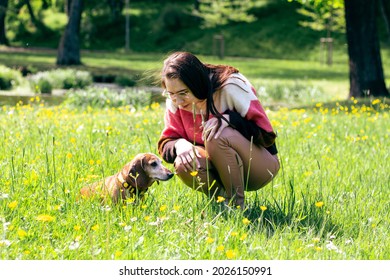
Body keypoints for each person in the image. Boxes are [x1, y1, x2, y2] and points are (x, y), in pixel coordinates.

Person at [157, 51, 280, 209]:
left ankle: (238, 206)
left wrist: (230, 120)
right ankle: (223, 203)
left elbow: (267, 136)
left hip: (260, 167)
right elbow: (165, 143)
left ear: (197, 83)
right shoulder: (174, 101)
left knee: (216, 134)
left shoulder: (231, 86)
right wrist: (179, 144)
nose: (178, 101)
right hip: (219, 166)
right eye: (171, 94)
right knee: (183, 162)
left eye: (183, 93)